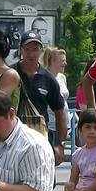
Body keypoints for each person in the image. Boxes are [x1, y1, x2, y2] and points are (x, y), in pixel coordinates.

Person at [15, 33, 68, 161]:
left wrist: (59, 145)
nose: (31, 54)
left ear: (41, 51)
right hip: (15, 139)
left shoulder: (48, 78)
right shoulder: (11, 73)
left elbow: (60, 112)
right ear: (21, 50)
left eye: (35, 49)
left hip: (41, 138)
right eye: (27, 49)